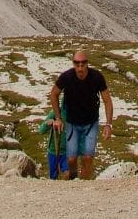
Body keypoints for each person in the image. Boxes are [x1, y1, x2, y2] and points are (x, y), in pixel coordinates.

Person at [48, 49, 113, 181]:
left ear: (87, 64)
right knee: (71, 159)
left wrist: (108, 124)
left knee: (87, 157)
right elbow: (54, 94)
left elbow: (107, 100)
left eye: (83, 64)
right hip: (72, 123)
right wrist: (58, 118)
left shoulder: (97, 77)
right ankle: (73, 180)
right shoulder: (67, 77)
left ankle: (84, 185)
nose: (80, 67)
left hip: (91, 123)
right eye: (77, 64)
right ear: (73, 64)